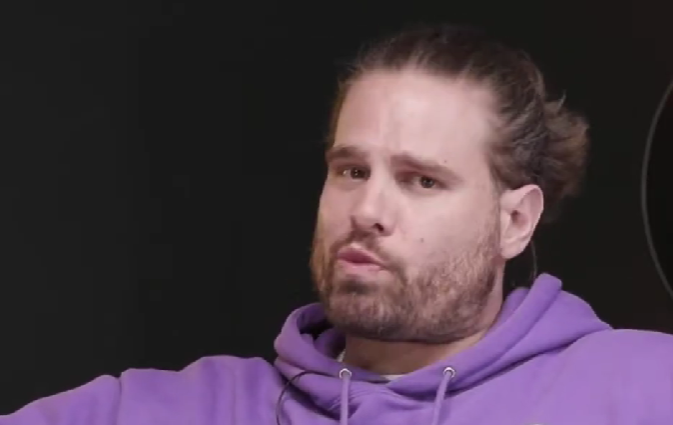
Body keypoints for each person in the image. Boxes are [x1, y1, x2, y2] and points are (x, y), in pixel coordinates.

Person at [2, 23, 673, 425]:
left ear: (515, 220)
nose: (367, 211)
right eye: (351, 170)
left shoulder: (640, 388)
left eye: (422, 180)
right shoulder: (180, 407)